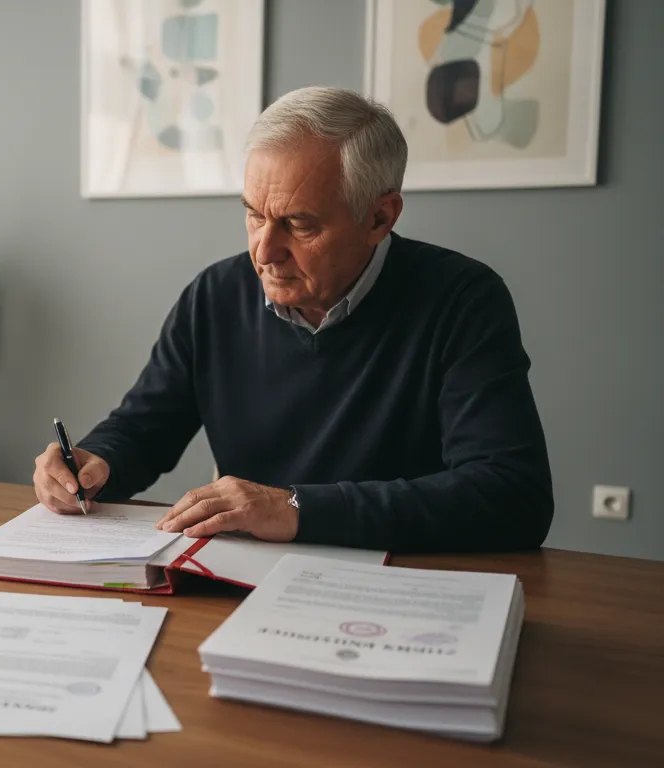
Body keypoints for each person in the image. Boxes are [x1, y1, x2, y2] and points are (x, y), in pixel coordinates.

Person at [32, 86, 553, 553]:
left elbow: (511, 496)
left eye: (297, 224)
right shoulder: (216, 294)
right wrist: (93, 462)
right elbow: (145, 428)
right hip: (248, 580)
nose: (264, 251)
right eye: (254, 214)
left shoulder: (461, 299)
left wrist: (296, 508)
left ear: (380, 217)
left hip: (402, 582)